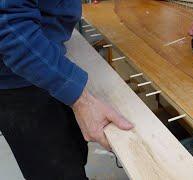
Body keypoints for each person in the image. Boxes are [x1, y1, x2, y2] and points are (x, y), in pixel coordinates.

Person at [0, 0, 134, 179]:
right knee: (54, 170)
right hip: (16, 83)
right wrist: (81, 100)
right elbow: (12, 31)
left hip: (48, 53)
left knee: (75, 149)